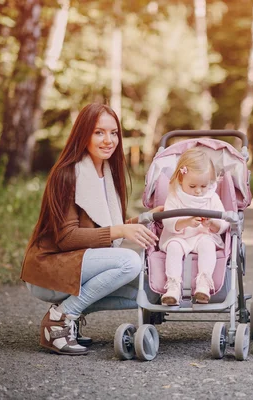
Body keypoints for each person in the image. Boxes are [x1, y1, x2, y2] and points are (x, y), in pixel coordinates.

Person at [21, 103, 161, 356]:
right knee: (130, 262)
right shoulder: (67, 175)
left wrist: (146, 218)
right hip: (50, 268)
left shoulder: (106, 173)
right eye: (99, 132)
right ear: (82, 134)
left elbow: (102, 226)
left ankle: (71, 313)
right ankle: (60, 318)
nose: (109, 140)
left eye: (114, 133)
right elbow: (66, 238)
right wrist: (119, 231)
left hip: (78, 264)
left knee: (151, 288)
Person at [158, 148, 229, 305]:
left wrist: (212, 223)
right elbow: (168, 222)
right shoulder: (174, 197)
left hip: (203, 235)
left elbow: (224, 222)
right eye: (192, 186)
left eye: (203, 186)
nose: (198, 191)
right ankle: (173, 286)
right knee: (174, 248)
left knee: (207, 244)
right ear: (180, 179)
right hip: (178, 237)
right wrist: (186, 222)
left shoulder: (212, 197)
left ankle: (203, 283)